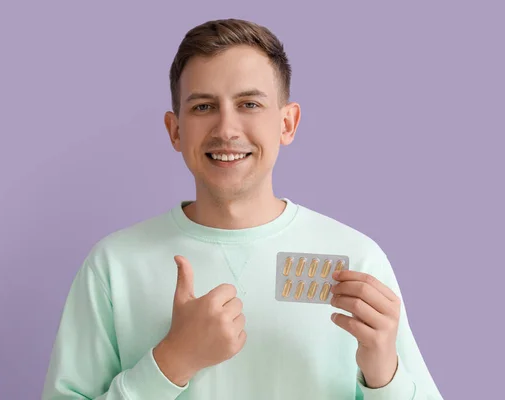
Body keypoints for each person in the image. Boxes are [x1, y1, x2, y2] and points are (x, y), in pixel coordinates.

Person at [41, 18, 444, 400]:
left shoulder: (359, 259)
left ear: (287, 123)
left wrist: (383, 373)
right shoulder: (113, 265)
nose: (227, 129)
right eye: (203, 107)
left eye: (249, 104)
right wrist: (171, 362)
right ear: (175, 130)